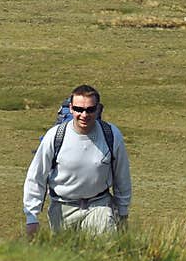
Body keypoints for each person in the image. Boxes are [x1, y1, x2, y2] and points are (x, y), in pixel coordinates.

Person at [23, 85, 131, 237]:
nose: (84, 114)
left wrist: (123, 213)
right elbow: (36, 177)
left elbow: (122, 176)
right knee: (65, 258)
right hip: (62, 208)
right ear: (71, 108)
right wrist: (31, 217)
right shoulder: (54, 136)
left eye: (90, 109)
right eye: (79, 109)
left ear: (98, 109)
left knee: (103, 254)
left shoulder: (111, 135)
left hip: (100, 206)